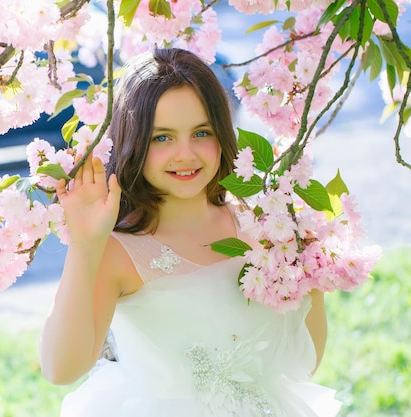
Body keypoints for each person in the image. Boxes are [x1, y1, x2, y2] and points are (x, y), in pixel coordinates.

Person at [39, 48, 341, 416]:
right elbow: (61, 369)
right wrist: (85, 245)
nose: (185, 154)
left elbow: (303, 362)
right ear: (133, 141)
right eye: (161, 138)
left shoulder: (258, 224)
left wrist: (311, 271)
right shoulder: (120, 252)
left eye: (201, 132)